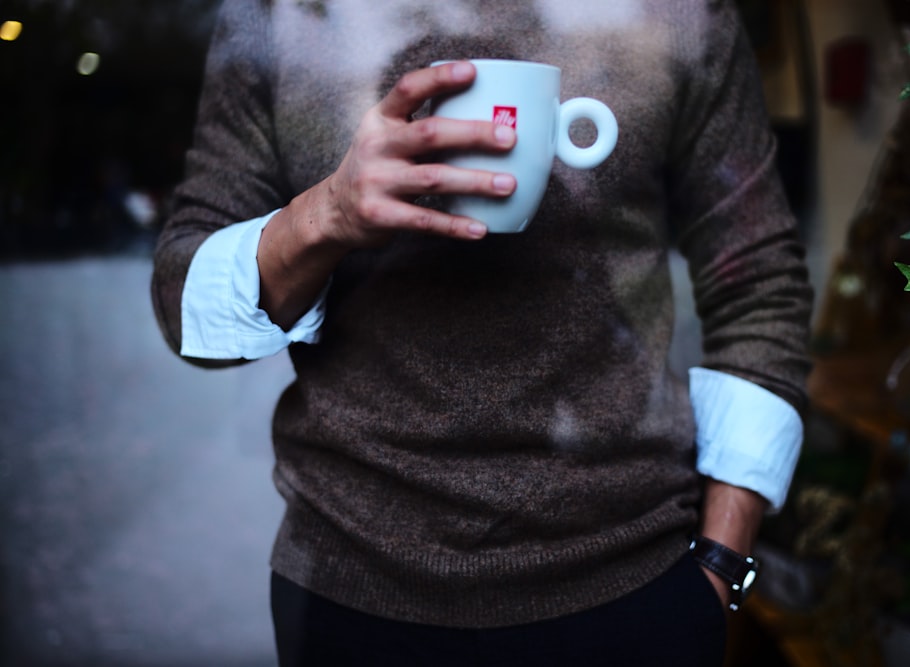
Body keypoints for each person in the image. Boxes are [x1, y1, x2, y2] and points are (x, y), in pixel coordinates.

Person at [151, 1, 813, 665]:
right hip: (347, 591)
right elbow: (189, 314)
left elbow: (757, 281)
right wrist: (328, 214)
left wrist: (721, 567)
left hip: (634, 586)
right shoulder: (281, 14)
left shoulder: (677, 13)